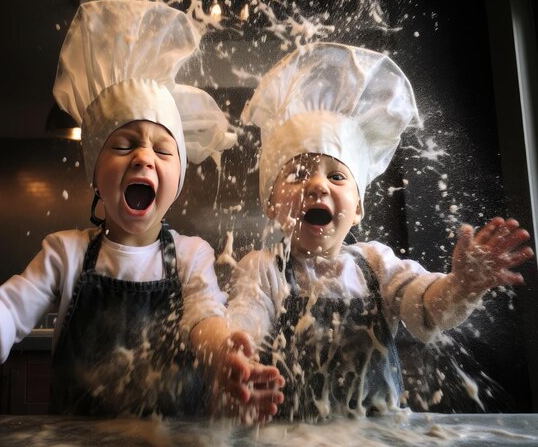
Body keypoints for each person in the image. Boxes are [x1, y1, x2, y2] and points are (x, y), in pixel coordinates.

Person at [0, 0, 264, 417]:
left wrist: (222, 354)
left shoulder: (192, 255)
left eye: (162, 149)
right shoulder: (67, 254)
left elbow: (204, 317)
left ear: (177, 182)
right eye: (124, 144)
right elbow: (10, 306)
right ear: (95, 173)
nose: (144, 157)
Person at [221, 42, 535, 422]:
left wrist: (460, 287)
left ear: (358, 209)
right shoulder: (262, 269)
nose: (317, 186)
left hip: (380, 434)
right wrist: (237, 351)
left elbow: (425, 308)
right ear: (271, 203)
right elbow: (246, 317)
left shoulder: (376, 263)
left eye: (337, 176)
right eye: (297, 173)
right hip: (292, 435)